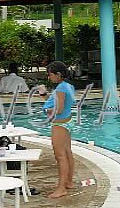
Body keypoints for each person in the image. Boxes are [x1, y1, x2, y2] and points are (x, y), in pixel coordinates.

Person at [39, 61, 76, 199]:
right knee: (67, 153)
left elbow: (58, 110)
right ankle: (68, 182)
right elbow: (60, 104)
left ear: (58, 74)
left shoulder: (61, 88)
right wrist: (44, 96)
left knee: (60, 156)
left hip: (59, 124)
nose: (49, 78)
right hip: (67, 121)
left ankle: (61, 188)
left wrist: (46, 111)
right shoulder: (68, 86)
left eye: (50, 75)